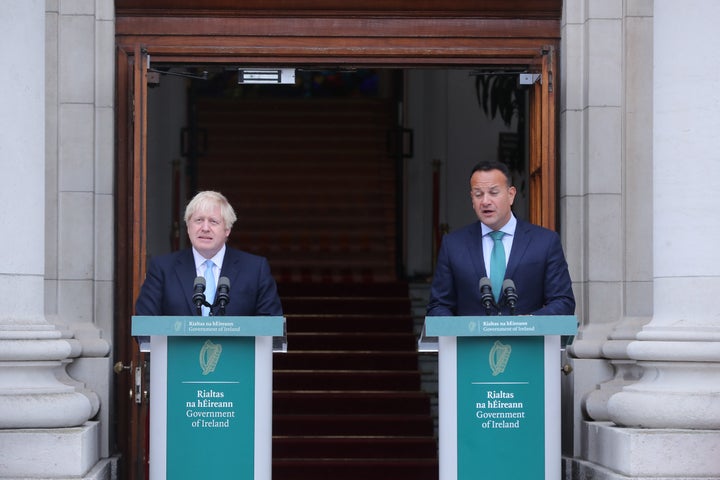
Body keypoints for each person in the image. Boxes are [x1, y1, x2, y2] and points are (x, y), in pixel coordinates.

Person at [426, 161, 575, 316]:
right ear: (472, 199)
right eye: (478, 194)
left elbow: (563, 302)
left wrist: (529, 324)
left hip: (526, 340)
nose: (485, 201)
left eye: (493, 193)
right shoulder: (453, 245)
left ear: (511, 195)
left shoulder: (545, 242)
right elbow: (438, 306)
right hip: (472, 340)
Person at [135, 190, 283, 318]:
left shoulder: (255, 269)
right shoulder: (162, 269)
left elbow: (270, 325)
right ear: (188, 227)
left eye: (213, 221)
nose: (205, 228)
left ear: (227, 229)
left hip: (236, 351)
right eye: (198, 220)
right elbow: (145, 323)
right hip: (178, 351)